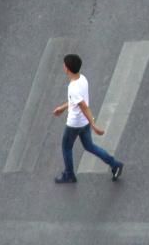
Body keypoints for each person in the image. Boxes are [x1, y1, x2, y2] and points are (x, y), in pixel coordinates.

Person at [52, 53, 123, 183]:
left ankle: (69, 174)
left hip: (74, 124)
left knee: (66, 147)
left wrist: (93, 124)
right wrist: (63, 108)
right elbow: (76, 101)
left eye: (64, 65)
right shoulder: (82, 79)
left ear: (67, 68)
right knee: (89, 146)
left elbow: (83, 106)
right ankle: (114, 164)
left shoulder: (72, 87)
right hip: (83, 123)